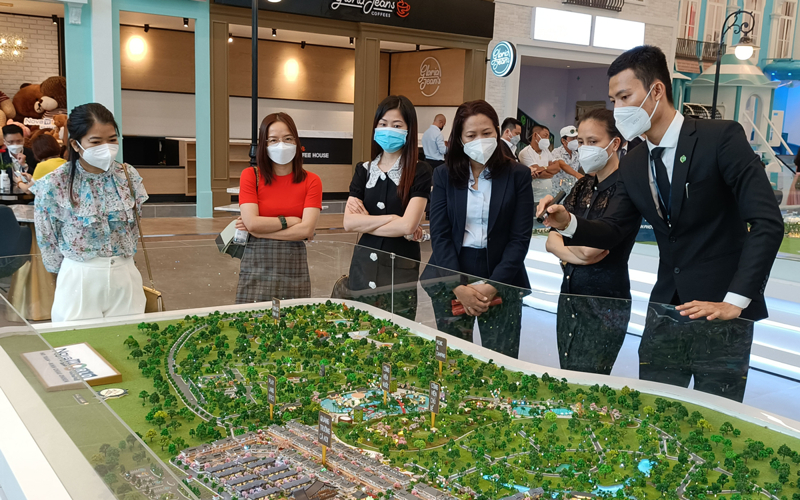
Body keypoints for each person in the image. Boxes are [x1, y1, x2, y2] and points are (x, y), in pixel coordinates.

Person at [538, 45, 784, 402]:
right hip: (665, 311)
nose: (618, 108)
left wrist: (736, 299)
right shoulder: (635, 162)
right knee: (655, 413)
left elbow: (766, 222)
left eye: (625, 96)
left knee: (713, 419)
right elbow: (613, 229)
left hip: (722, 315)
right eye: (613, 99)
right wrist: (569, 222)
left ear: (656, 91)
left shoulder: (720, 139)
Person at [422, 99, 534, 359]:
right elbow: (440, 234)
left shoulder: (518, 175)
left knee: (501, 361)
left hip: (503, 275)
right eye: (471, 135)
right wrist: (459, 286)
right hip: (451, 271)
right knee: (451, 360)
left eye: (486, 133)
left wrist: (492, 285)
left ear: (497, 132)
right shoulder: (444, 175)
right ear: (460, 140)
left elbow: (520, 238)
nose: (480, 140)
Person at [31, 103, 148, 323]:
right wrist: (62, 271)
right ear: (76, 144)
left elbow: (134, 223)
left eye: (112, 139)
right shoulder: (56, 183)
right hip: (80, 275)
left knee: (127, 342)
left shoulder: (127, 175)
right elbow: (47, 236)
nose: (106, 147)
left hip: (125, 273)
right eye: (95, 142)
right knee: (76, 346)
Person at [545, 109, 637, 375]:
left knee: (590, 382)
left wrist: (567, 249)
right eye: (581, 142)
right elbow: (553, 241)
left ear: (615, 143)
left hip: (605, 302)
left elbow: (591, 247)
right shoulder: (583, 185)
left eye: (593, 142)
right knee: (567, 376)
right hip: (570, 296)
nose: (584, 148)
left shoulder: (626, 189)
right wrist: (573, 254)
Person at [343, 95, 432, 321]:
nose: (388, 130)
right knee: (360, 330)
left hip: (399, 266)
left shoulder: (420, 172)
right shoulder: (363, 170)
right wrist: (394, 219)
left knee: (396, 333)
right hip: (363, 266)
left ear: (409, 129)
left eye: (396, 125)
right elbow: (349, 223)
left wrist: (370, 221)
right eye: (382, 124)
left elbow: (409, 225)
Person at [235, 112, 322, 303]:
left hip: (293, 263)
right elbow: (251, 222)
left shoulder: (312, 181)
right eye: (273, 140)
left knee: (292, 320)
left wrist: (259, 231)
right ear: (264, 146)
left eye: (288, 138)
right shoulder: (250, 176)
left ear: (297, 143)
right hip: (256, 262)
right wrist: (289, 221)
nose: (281, 145)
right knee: (252, 321)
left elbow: (307, 229)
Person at [550, 125, 584, 195]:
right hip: (558, 192)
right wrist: (578, 175)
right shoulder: (556, 152)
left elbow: (584, 167)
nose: (575, 141)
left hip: (572, 191)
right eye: (572, 138)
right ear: (563, 140)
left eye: (576, 138)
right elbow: (562, 165)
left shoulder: (577, 154)